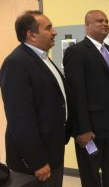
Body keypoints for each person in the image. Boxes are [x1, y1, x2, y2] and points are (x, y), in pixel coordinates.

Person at [0, 10, 74, 187]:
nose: (54, 32)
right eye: (48, 28)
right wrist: (37, 161)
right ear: (31, 35)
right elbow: (20, 120)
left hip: (53, 148)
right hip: (35, 158)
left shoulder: (43, 59)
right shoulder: (16, 63)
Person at [63, 10, 109, 187]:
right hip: (90, 129)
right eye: (99, 21)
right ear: (87, 24)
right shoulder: (76, 52)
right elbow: (76, 93)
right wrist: (82, 129)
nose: (105, 24)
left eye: (107, 21)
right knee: (90, 174)